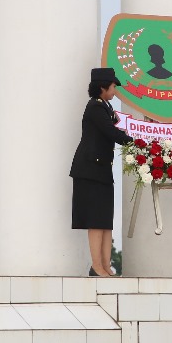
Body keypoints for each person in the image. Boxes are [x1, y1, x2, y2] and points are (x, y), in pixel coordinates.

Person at [69, 67, 133, 277]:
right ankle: (97, 266)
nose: (115, 91)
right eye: (113, 86)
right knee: (96, 220)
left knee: (105, 220)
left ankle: (106, 266)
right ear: (102, 87)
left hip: (102, 169)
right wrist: (136, 142)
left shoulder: (105, 107)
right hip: (90, 170)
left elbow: (119, 126)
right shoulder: (95, 108)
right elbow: (112, 132)